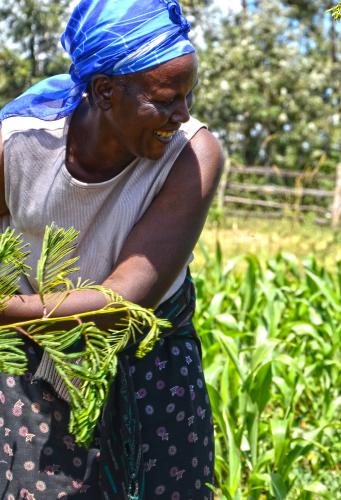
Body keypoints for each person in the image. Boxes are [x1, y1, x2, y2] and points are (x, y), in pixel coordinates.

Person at [0, 0, 224, 498]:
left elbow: (124, 300)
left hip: (149, 357)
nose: (182, 115)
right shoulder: (19, 146)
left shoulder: (192, 154)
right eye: (167, 99)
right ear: (105, 91)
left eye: (188, 97)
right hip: (36, 356)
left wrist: (2, 312)